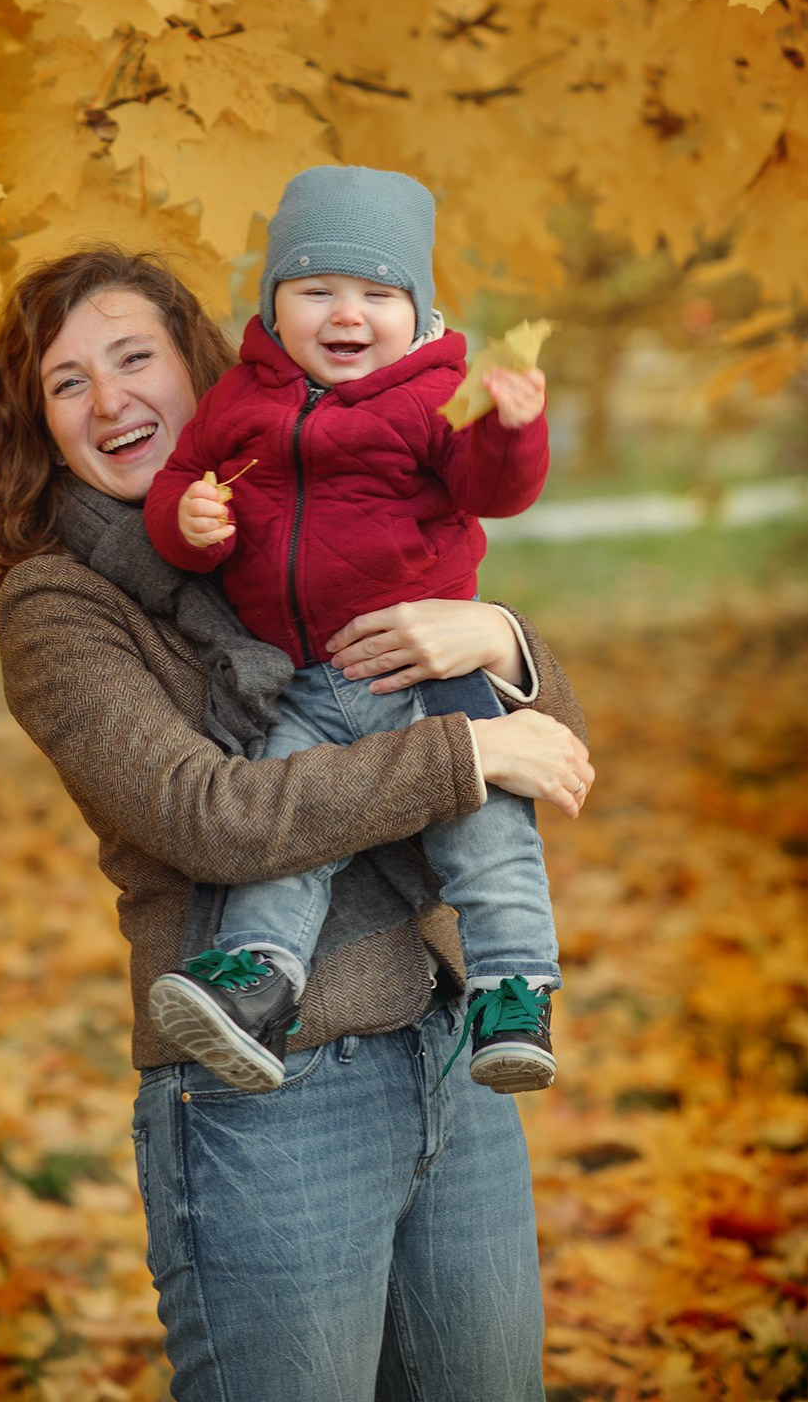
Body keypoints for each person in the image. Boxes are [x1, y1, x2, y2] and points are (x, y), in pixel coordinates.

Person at [0, 245, 594, 1402]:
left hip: (451, 1052)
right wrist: (464, 750)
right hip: (269, 1094)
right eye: (67, 383)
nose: (109, 401)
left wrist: (494, 639)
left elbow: (548, 753)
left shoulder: (314, 520)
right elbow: (208, 816)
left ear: (202, 368)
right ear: (40, 428)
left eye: (133, 357)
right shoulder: (58, 605)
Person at [144, 165, 563, 1098]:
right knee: (285, 817)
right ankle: (257, 983)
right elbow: (182, 479)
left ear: (417, 313)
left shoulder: (432, 398)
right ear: (273, 304)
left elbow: (490, 489)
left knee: (483, 831)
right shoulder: (239, 400)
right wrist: (189, 521)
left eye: (377, 294)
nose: (347, 314)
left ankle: (513, 987)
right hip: (301, 678)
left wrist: (509, 429)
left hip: (421, 668)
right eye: (316, 290)